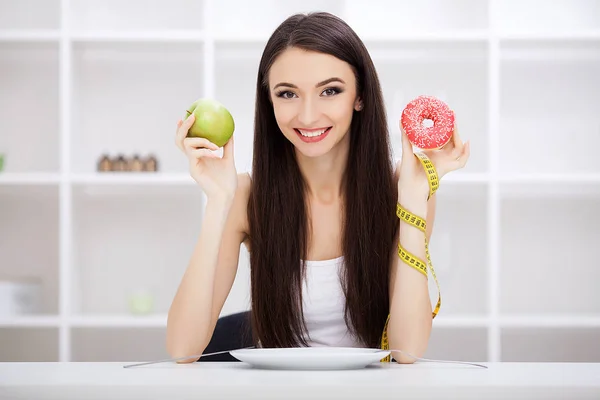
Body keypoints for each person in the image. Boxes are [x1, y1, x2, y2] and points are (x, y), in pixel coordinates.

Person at [167, 11, 470, 364]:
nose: (308, 116)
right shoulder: (246, 197)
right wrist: (219, 200)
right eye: (287, 94)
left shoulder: (402, 191)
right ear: (269, 102)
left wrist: (414, 201)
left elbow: (407, 351)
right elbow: (182, 348)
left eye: (329, 91)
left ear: (360, 97)